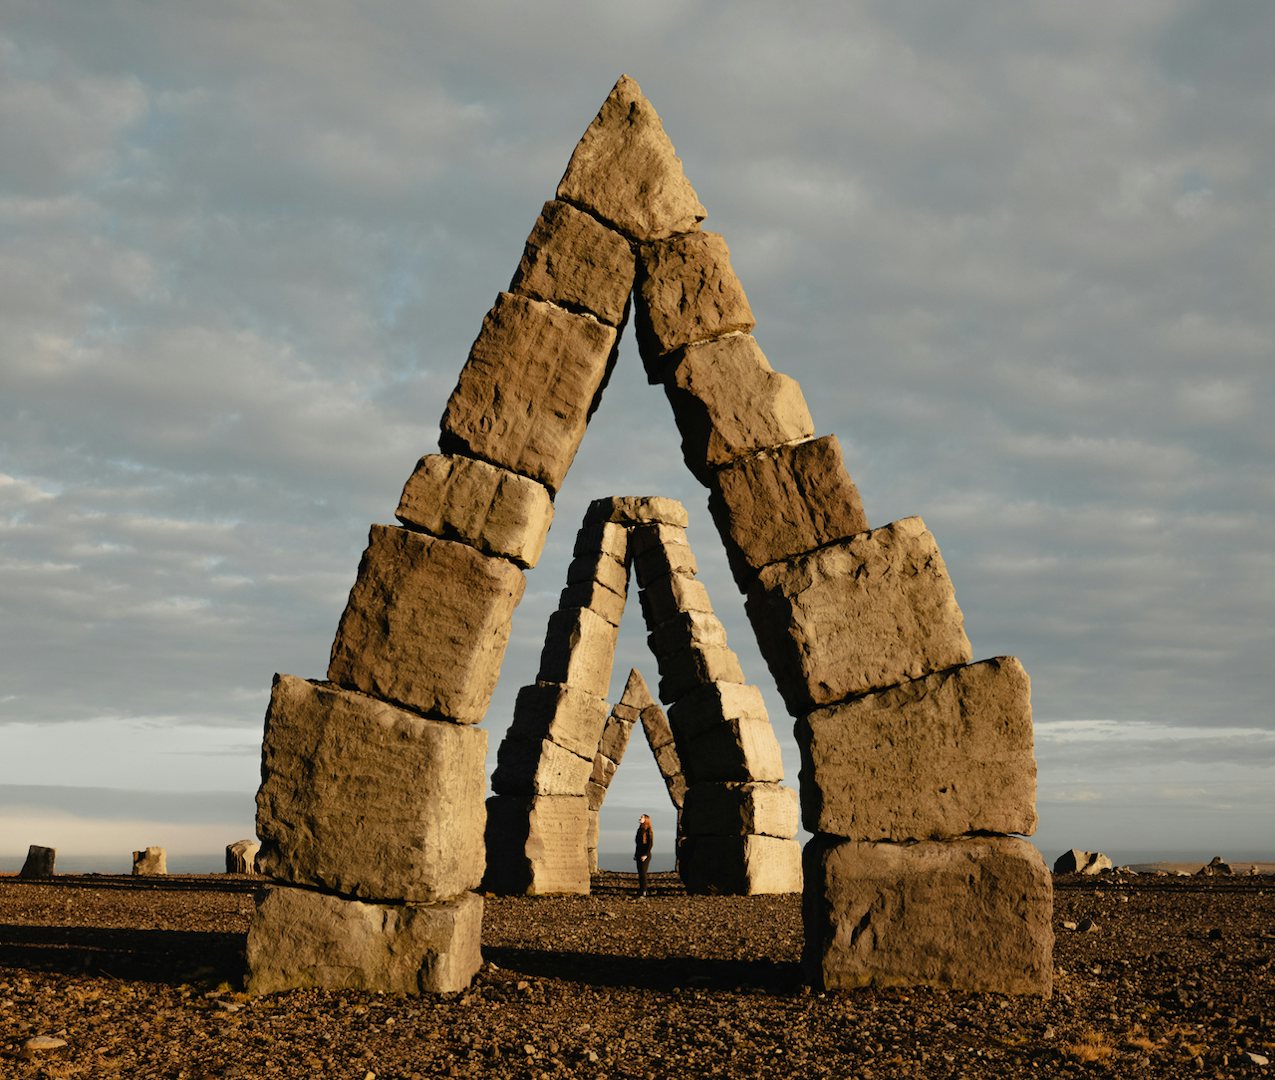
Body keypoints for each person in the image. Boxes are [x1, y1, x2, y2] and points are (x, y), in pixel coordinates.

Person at [634, 813, 653, 897]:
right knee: (640, 873)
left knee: (643, 873)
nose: (640, 818)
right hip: (639, 854)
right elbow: (638, 844)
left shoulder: (648, 830)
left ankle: (644, 891)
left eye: (642, 817)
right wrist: (636, 854)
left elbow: (650, 844)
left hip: (645, 855)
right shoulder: (639, 830)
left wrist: (645, 854)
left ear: (646, 820)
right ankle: (641, 890)